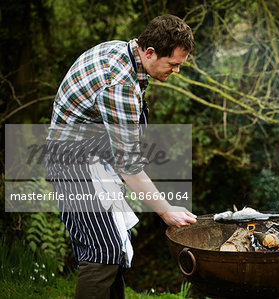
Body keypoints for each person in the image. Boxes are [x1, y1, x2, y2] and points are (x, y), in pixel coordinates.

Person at [45, 14, 197, 299]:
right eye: (173, 64)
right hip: (74, 166)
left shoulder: (122, 50)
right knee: (104, 251)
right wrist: (166, 212)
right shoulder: (120, 86)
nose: (176, 71)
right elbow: (128, 166)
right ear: (150, 52)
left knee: (112, 247)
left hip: (91, 160)